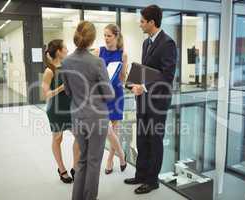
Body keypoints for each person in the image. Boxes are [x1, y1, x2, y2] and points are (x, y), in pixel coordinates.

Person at [124, 5, 177, 195]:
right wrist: (133, 83)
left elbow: (167, 76)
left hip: (158, 102)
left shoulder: (168, 43)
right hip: (143, 99)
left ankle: (152, 181)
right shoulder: (147, 43)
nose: (140, 24)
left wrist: (144, 87)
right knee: (141, 137)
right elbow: (146, 71)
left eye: (142, 21)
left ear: (152, 22)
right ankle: (141, 174)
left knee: (154, 140)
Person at [61, 21, 115, 200]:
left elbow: (68, 91)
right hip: (96, 118)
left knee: (82, 160)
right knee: (93, 162)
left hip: (77, 117)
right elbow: (109, 95)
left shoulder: (66, 61)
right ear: (92, 40)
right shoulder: (97, 62)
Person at [41, 39, 80, 184]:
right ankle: (62, 169)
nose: (67, 50)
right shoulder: (49, 70)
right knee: (58, 138)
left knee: (79, 137)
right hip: (55, 110)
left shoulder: (68, 66)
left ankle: (75, 168)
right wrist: (62, 87)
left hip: (71, 108)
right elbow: (46, 94)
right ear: (58, 51)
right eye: (65, 48)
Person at [93, 24, 127, 175]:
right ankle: (122, 154)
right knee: (106, 128)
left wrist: (122, 72)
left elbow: (123, 78)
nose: (106, 38)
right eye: (104, 35)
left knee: (115, 127)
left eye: (109, 36)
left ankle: (110, 160)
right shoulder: (98, 51)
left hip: (117, 93)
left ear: (116, 36)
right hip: (102, 94)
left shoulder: (123, 54)